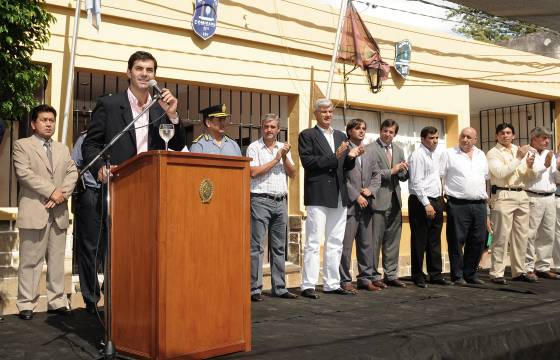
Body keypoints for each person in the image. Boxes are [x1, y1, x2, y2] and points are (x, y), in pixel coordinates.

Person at [12, 104, 78, 320]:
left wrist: (62, 194)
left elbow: (72, 172)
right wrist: (52, 192)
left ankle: (57, 300)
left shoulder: (62, 149)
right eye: (44, 120)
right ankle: (26, 303)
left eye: (52, 120)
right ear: (33, 123)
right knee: (30, 260)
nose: (49, 124)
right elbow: (24, 174)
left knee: (58, 261)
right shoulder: (22, 146)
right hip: (34, 211)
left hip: (58, 213)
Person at [82, 50, 185, 183]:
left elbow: (178, 145)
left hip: (153, 183)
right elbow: (90, 144)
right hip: (119, 184)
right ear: (129, 72)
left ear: (154, 76)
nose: (144, 74)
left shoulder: (161, 107)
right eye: (139, 69)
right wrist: (100, 168)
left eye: (149, 70)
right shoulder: (109, 105)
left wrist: (172, 115)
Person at [298, 98, 363, 299]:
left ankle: (332, 283)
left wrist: (351, 157)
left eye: (330, 112)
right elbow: (308, 162)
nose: (328, 115)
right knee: (313, 241)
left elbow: (343, 166)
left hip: (338, 195)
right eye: (324, 112)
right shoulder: (307, 135)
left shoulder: (341, 135)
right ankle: (308, 284)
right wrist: (335, 156)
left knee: (335, 241)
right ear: (316, 114)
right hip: (318, 195)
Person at [246, 114, 297, 302]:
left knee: (278, 247)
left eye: (273, 127)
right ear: (262, 128)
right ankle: (254, 289)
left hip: (280, 201)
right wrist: (276, 159)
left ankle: (280, 287)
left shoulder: (283, 148)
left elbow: (293, 174)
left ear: (278, 129)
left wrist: (284, 158)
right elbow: (253, 172)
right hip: (260, 200)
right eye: (266, 126)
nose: (269, 130)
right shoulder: (254, 147)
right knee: (257, 246)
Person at [487, 123, 535, 285]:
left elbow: (529, 178)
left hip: (522, 194)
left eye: (508, 133)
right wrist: (520, 158)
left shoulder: (518, 150)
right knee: (501, 235)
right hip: (504, 193)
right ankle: (496, 272)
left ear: (513, 135)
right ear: (496, 136)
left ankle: (518, 271)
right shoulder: (493, 153)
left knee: (521, 236)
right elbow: (500, 172)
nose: (505, 136)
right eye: (502, 133)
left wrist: (529, 166)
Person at [440, 128, 489, 285]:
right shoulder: (449, 154)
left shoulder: (481, 155)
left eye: (469, 137)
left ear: (475, 140)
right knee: (456, 240)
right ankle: (457, 275)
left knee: (478, 240)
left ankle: (471, 273)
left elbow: (485, 178)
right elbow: (440, 176)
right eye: (463, 136)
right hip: (457, 203)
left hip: (479, 203)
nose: (465, 139)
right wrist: (441, 198)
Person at [339, 119, 382, 293]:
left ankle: (365, 278)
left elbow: (376, 174)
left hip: (367, 204)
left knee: (366, 244)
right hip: (350, 205)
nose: (362, 131)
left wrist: (370, 190)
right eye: (358, 128)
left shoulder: (370, 151)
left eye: (364, 128)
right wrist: (356, 196)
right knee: (346, 245)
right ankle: (344, 279)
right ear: (349, 131)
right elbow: (341, 177)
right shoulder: (343, 150)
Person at [407, 126, 449, 288]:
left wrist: (440, 199)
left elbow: (437, 178)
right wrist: (426, 204)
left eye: (437, 137)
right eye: (432, 138)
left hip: (436, 199)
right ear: (423, 139)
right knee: (419, 239)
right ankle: (417, 275)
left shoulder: (436, 155)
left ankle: (435, 273)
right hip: (421, 201)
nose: (435, 141)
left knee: (434, 239)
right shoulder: (418, 155)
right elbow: (416, 182)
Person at [369, 119, 409, 288]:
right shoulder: (370, 149)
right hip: (377, 201)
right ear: (380, 130)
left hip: (395, 201)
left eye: (391, 132)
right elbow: (372, 173)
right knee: (375, 241)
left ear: (395, 134)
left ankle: (391, 274)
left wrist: (405, 170)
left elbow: (403, 177)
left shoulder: (399, 150)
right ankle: (372, 275)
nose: (387, 134)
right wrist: (392, 171)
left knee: (393, 240)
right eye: (385, 130)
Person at [72, 130, 105, 314]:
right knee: (89, 248)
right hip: (92, 194)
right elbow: (74, 165)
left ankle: (111, 292)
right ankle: (91, 299)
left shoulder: (126, 135)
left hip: (120, 194)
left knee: (117, 248)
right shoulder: (85, 138)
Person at [524, 127, 560, 280]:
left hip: (550, 197)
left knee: (548, 234)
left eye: (548, 138)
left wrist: (558, 169)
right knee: (530, 234)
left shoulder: (550, 154)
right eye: (544, 138)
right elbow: (527, 176)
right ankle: (528, 267)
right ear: (534, 139)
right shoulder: (526, 153)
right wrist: (543, 166)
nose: (547, 141)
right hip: (533, 196)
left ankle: (543, 267)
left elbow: (556, 179)